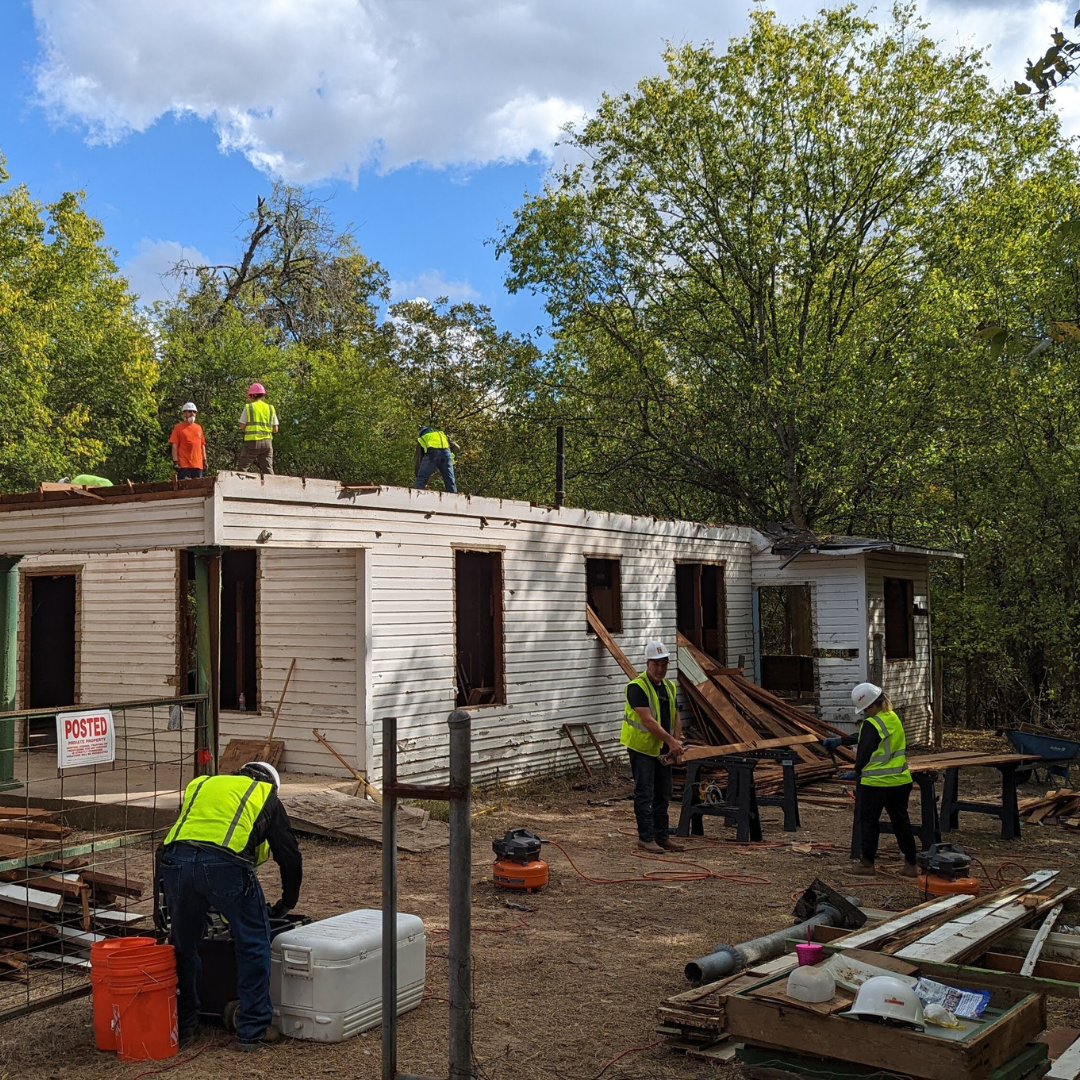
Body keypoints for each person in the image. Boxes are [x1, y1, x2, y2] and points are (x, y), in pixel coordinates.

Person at [158, 761, 302, 1051]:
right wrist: (288, 901)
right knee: (253, 943)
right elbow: (288, 854)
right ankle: (252, 1030)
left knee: (184, 945)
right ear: (272, 784)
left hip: (176, 863)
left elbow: (180, 837)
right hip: (225, 866)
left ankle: (186, 1024)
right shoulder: (265, 795)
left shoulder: (203, 784)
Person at [823, 682, 918, 878]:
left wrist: (856, 773)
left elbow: (864, 752)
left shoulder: (871, 723)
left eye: (866, 709)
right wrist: (842, 741)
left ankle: (867, 864)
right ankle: (911, 864)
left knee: (868, 823)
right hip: (900, 781)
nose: (865, 713)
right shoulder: (892, 718)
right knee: (901, 822)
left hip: (875, 784)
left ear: (873, 705)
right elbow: (868, 737)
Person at [621, 641, 686, 853]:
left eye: (664, 664)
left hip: (662, 749)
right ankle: (646, 837)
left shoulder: (669, 686)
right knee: (645, 793)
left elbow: (675, 714)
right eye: (656, 664)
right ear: (648, 663)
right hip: (642, 749)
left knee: (663, 793)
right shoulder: (636, 687)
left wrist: (677, 740)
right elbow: (647, 721)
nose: (660, 669)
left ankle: (662, 835)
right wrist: (671, 741)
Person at [237, 383, 278, 475]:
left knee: (242, 469)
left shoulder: (249, 407)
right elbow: (275, 429)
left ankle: (240, 488)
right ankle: (272, 487)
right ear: (262, 395)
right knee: (268, 470)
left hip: (252, 442)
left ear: (252, 396)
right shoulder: (270, 408)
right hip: (267, 443)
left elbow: (242, 426)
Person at [169, 402, 207, 479]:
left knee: (198, 488)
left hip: (197, 465)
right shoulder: (178, 428)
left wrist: (205, 461)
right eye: (189, 411)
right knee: (185, 489)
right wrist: (175, 462)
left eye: (194, 412)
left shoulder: (199, 428)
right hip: (184, 465)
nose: (192, 414)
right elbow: (174, 446)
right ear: (184, 413)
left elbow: (202, 445)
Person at [414, 425, 458, 492]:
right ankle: (454, 497)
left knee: (421, 480)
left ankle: (416, 495)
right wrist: (453, 459)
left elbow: (418, 459)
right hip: (446, 454)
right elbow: (456, 447)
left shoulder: (422, 438)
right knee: (450, 480)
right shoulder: (442, 434)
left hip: (432, 454)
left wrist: (417, 473)